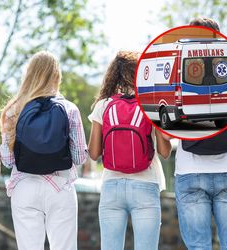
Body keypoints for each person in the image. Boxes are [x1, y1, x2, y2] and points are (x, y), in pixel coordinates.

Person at [166, 17, 227, 250]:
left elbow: (165, 132)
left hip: (189, 172)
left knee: (198, 247)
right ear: (220, 38)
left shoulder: (177, 74)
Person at [0, 51, 88, 250]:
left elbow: (7, 159)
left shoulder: (13, 110)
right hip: (60, 186)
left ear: (29, 74)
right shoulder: (69, 109)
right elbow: (79, 157)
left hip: (24, 187)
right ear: (57, 76)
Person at [88, 51, 172, 250]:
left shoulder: (104, 105)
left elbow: (93, 153)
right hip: (146, 184)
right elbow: (165, 151)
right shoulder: (150, 103)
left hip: (111, 186)